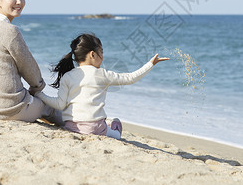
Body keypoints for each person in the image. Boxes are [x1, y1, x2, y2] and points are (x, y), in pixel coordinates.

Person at [35, 33, 169, 139]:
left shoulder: (67, 76)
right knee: (114, 134)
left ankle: (110, 125)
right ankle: (114, 129)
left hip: (72, 127)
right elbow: (130, 78)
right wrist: (150, 64)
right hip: (95, 128)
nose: (102, 57)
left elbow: (59, 104)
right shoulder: (101, 74)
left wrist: (39, 94)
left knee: (101, 125)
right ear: (93, 54)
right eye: (102, 52)